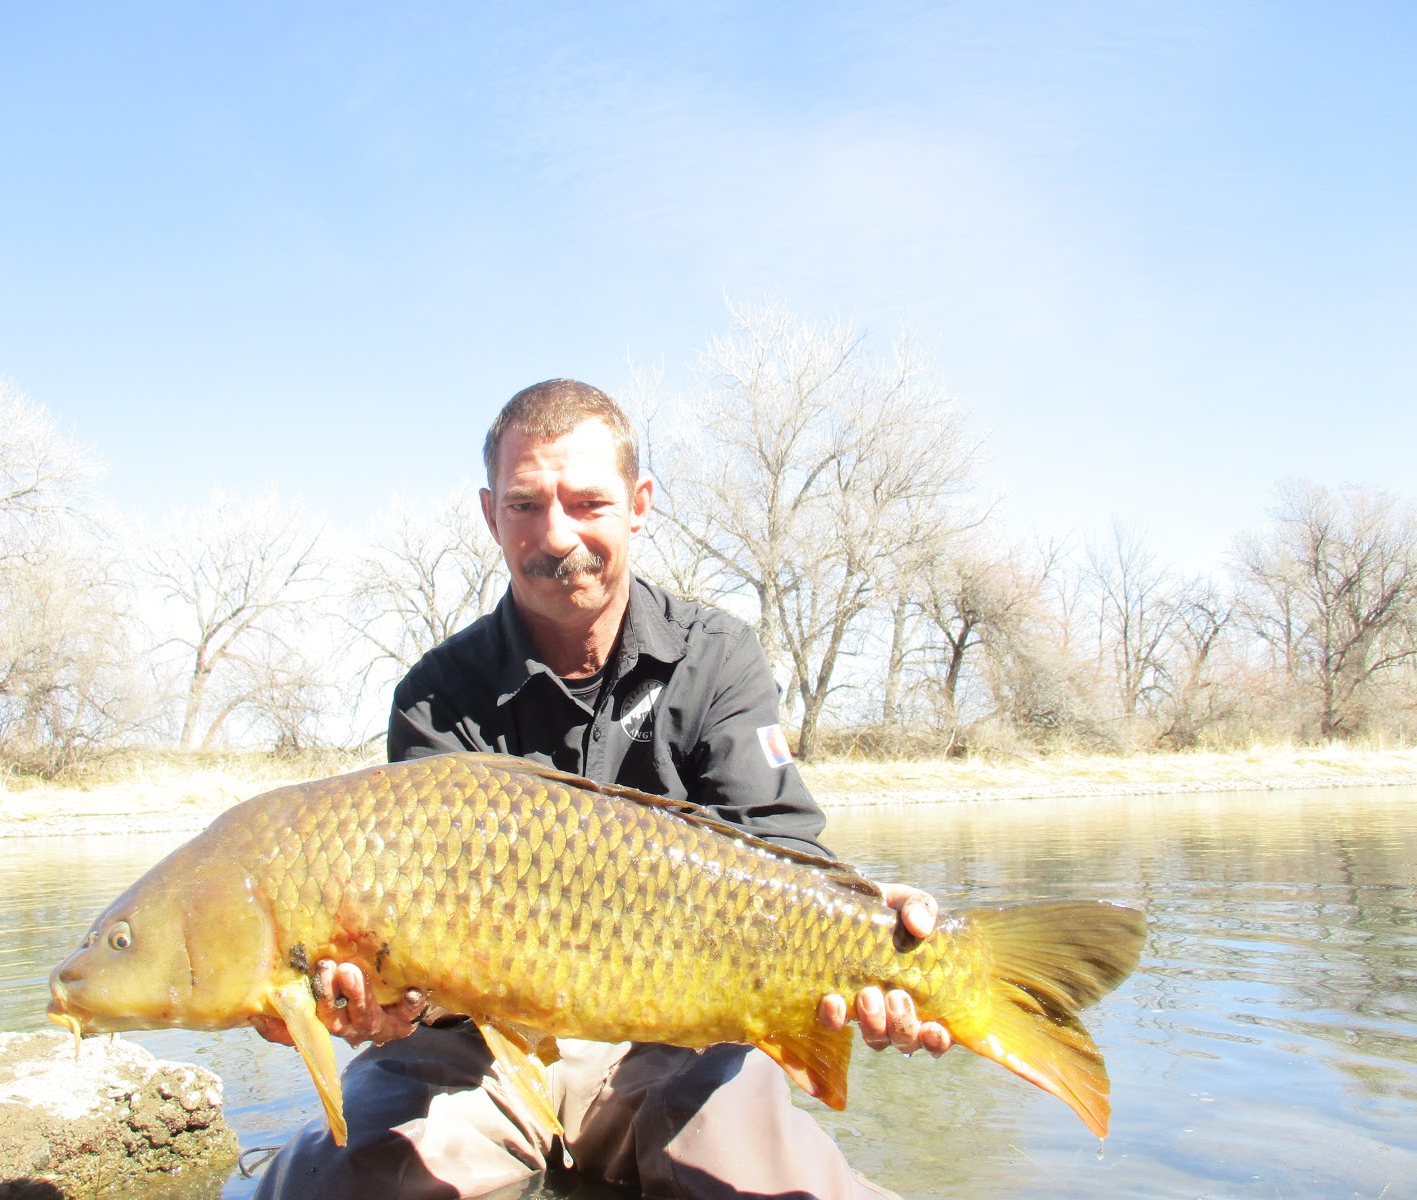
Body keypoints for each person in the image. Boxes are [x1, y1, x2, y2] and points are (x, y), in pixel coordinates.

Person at [253, 379, 950, 1200]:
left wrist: (871, 927)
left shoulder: (716, 655)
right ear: (490, 515)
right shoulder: (435, 695)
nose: (557, 536)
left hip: (678, 1043)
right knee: (325, 1181)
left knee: (751, 1174)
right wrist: (379, 1011)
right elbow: (415, 971)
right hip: (480, 1051)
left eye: (587, 502)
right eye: (525, 505)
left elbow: (783, 850)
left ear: (639, 503)